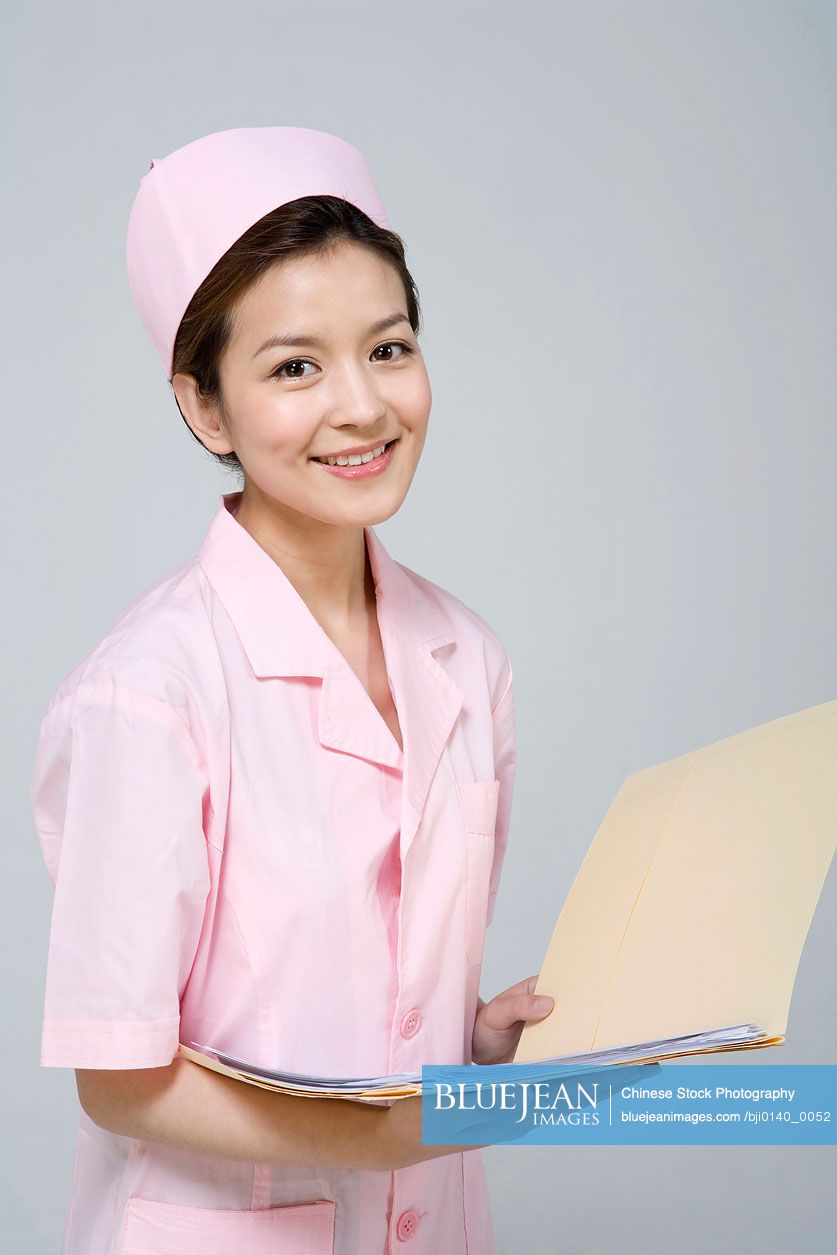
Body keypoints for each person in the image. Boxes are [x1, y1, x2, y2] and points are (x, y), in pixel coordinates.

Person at [29, 126, 555, 1255]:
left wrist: (477, 1047)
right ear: (206, 408)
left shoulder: (469, 659)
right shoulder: (149, 690)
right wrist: (374, 1136)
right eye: (294, 367)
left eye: (390, 347)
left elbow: (384, 998)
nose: (364, 408)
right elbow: (116, 1080)